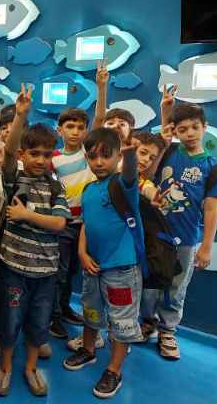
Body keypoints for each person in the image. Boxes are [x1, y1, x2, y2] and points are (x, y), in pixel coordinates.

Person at [0, 85, 70, 397]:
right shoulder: (15, 178)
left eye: (46, 155)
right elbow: (9, 150)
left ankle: (31, 367)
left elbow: (60, 223)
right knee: (10, 321)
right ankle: (6, 366)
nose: (40, 160)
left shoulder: (56, 187)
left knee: (39, 323)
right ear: (23, 156)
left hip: (46, 274)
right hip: (14, 270)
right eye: (34, 154)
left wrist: (27, 216)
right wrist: (20, 115)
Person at [140, 99, 217, 360]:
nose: (189, 133)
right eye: (183, 129)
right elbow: (149, 169)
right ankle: (147, 322)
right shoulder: (168, 152)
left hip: (186, 239)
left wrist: (206, 248)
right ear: (176, 131)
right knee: (148, 283)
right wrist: (166, 111)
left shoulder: (214, 167)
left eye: (194, 127)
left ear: (205, 127)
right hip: (154, 233)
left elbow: (211, 209)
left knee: (176, 287)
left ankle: (167, 330)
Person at [62, 128, 143, 399]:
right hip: (93, 267)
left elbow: (130, 173)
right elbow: (86, 224)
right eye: (93, 156)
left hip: (121, 269)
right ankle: (88, 349)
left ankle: (114, 370)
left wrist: (130, 155)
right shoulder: (89, 189)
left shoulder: (122, 185)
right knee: (91, 310)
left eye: (106, 156)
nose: (99, 162)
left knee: (121, 321)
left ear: (117, 156)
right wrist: (82, 254)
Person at [54, 60, 108, 348]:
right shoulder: (52, 158)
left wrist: (101, 87)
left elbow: (100, 120)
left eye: (80, 127)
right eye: (70, 126)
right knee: (60, 273)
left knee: (74, 271)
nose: (75, 131)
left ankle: (64, 308)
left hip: (85, 226)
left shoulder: (89, 152)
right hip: (63, 225)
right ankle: (53, 315)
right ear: (59, 129)